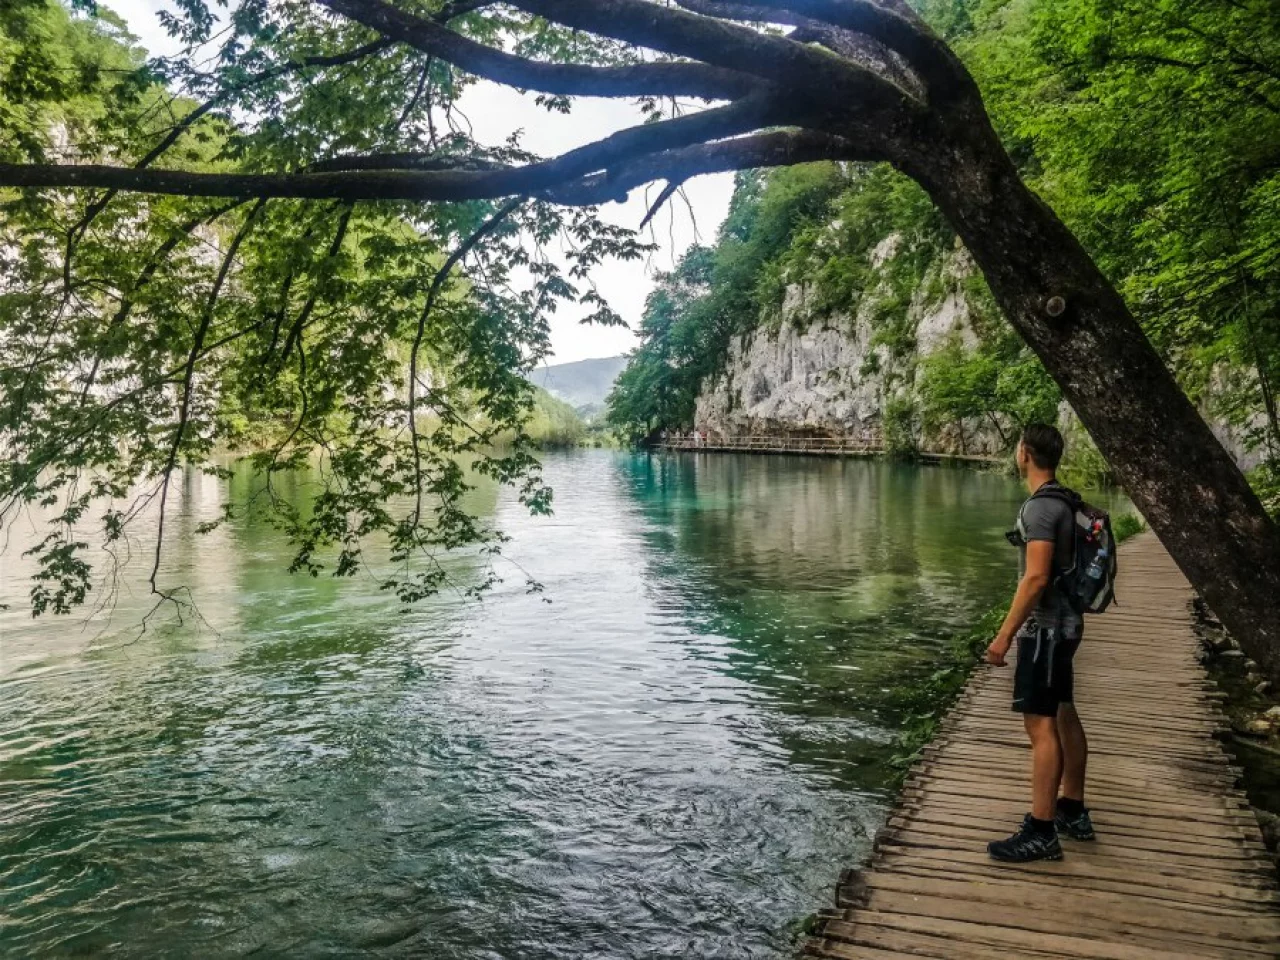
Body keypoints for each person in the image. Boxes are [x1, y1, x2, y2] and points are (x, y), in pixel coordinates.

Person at [984, 423, 1095, 863]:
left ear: (1025, 453)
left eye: (1017, 446)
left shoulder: (1040, 510)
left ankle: (1042, 830)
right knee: (1063, 709)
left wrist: (1003, 636)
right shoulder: (1066, 499)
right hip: (1066, 628)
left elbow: (1035, 577)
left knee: (1040, 726)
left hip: (1045, 632)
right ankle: (1072, 807)